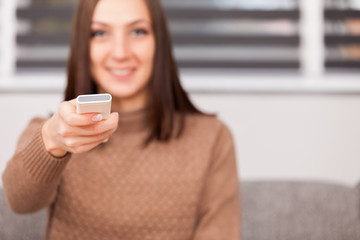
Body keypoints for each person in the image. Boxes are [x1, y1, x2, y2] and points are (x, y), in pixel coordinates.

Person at [2, 0, 241, 239]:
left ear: (159, 42)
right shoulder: (50, 134)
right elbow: (20, 202)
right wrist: (51, 141)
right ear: (82, 46)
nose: (120, 53)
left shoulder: (212, 138)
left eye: (138, 32)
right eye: (100, 33)